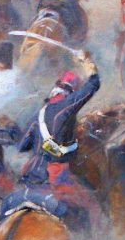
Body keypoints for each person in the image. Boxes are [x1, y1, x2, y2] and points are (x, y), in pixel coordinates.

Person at [8, 66, 101, 224]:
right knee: (92, 206)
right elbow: (93, 85)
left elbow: (22, 145)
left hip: (30, 177)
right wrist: (90, 67)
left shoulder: (38, 116)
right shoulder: (66, 106)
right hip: (55, 178)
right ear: (71, 93)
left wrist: (13, 128)